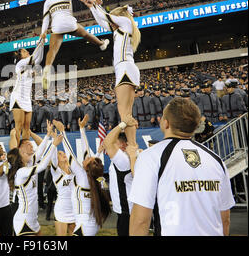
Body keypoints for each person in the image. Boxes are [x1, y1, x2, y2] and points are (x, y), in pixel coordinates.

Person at [128, 98, 235, 236]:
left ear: (166, 123)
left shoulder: (151, 156)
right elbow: (224, 219)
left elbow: (140, 220)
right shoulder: (215, 160)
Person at [83, 0, 141, 148]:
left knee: (124, 114)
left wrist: (96, 5)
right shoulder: (119, 29)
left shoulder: (126, 23)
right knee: (127, 114)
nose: (111, 23)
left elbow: (107, 17)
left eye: (115, 18)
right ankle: (132, 146)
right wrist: (92, 8)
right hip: (127, 68)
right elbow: (103, 22)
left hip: (124, 69)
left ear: (119, 17)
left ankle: (132, 147)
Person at [41, 0, 109, 90]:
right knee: (86, 34)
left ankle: (47, 70)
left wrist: (43, 33)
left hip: (56, 26)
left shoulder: (47, 0)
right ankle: (101, 44)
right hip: (70, 24)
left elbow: (46, 18)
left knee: (52, 50)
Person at [53, 116, 111, 236]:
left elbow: (70, 154)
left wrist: (62, 131)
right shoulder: (90, 176)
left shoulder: (82, 175)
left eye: (88, 159)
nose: (87, 157)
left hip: (84, 227)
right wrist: (82, 129)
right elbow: (87, 153)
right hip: (89, 225)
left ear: (86, 167)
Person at [7, 126, 61, 236]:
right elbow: (42, 166)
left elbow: (40, 151)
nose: (31, 154)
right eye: (26, 153)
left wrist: (47, 135)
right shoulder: (21, 172)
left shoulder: (28, 165)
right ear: (20, 157)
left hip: (33, 218)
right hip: (24, 219)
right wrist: (54, 145)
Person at [98, 114, 139, 236]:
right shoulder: (130, 156)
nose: (112, 147)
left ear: (122, 145)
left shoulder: (123, 160)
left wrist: (123, 123)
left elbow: (107, 141)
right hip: (129, 208)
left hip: (126, 210)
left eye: (116, 143)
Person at [10, 36, 45, 147]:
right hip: (17, 97)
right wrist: (39, 42)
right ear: (20, 57)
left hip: (26, 98)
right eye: (25, 51)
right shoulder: (20, 64)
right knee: (18, 126)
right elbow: (34, 57)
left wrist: (42, 43)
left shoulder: (29, 66)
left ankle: (25, 148)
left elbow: (39, 58)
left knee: (27, 126)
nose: (28, 52)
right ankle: (16, 150)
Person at [47, 130, 76, 236]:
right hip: (62, 209)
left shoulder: (73, 169)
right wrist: (54, 141)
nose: (63, 154)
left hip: (74, 207)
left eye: (63, 153)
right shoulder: (56, 172)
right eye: (60, 154)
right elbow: (53, 156)